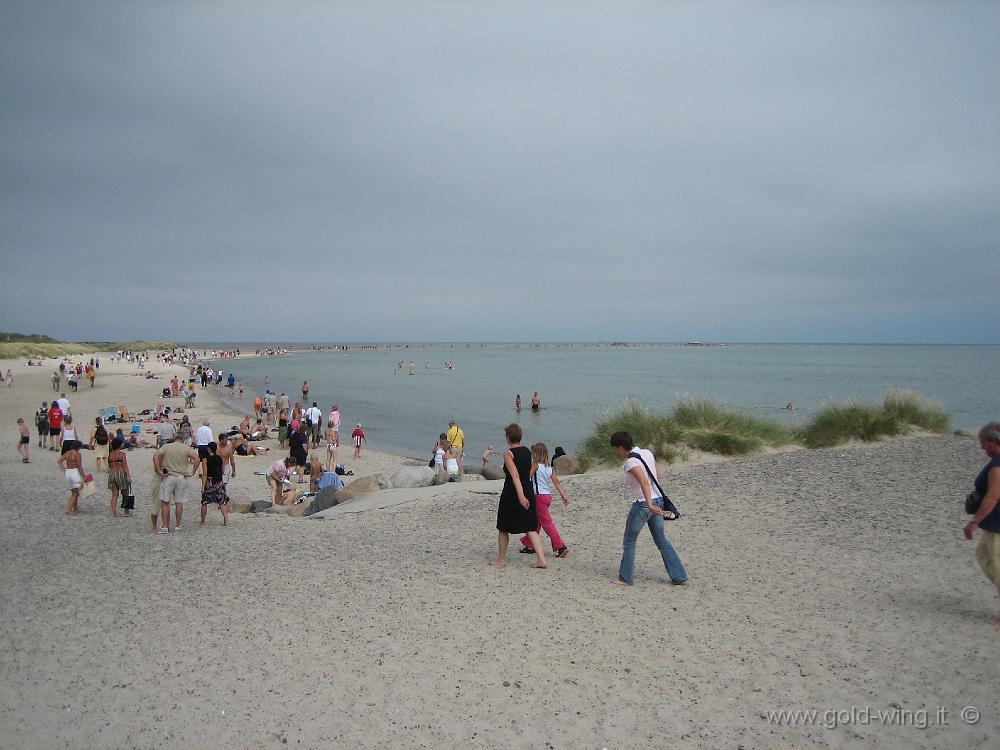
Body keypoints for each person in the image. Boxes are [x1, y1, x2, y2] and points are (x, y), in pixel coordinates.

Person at [609, 431, 688, 586]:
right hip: (657, 499)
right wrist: (654, 501)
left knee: (629, 540)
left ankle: (625, 578)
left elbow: (644, 482)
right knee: (661, 539)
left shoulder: (630, 462)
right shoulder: (647, 453)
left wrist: (649, 504)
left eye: (616, 449)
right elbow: (657, 475)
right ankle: (679, 575)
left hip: (644, 503)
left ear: (620, 447)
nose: (616, 452)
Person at [489, 424, 547, 569]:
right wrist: (525, 493)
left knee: (503, 527)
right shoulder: (527, 451)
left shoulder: (508, 453)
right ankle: (541, 559)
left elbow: (515, 475)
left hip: (512, 492)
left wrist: (520, 496)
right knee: (530, 526)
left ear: (508, 438)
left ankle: (501, 559)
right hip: (528, 488)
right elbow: (527, 472)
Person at [963, 422, 1000, 626]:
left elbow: (994, 495)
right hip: (993, 525)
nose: (981, 447)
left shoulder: (997, 466)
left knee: (998, 564)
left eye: (983, 443)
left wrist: (974, 521)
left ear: (994, 441)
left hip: (997, 526)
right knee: (983, 555)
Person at [519, 443, 570, 558]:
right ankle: (530, 544)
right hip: (547, 496)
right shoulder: (550, 468)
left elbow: (527, 477)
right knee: (536, 521)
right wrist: (564, 495)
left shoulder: (535, 465)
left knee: (547, 523)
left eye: (533, 454)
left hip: (538, 497)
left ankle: (561, 547)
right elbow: (556, 483)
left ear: (536, 454)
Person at [154, 430, 200, 533]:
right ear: (183, 439)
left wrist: (158, 470)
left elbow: (156, 455)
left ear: (175, 437)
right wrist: (192, 472)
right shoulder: (186, 448)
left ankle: (165, 526)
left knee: (165, 502)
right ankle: (178, 526)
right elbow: (197, 459)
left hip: (169, 475)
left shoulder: (167, 446)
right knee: (179, 502)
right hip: (181, 477)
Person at [200, 441, 231, 527]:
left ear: (208, 449)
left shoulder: (205, 459)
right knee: (222, 501)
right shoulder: (220, 458)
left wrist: (202, 486)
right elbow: (222, 470)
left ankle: (203, 522)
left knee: (205, 502)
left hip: (209, 482)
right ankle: (226, 520)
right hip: (218, 481)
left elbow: (205, 474)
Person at [58, 440, 86, 515]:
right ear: (78, 447)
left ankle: (75, 508)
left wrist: (64, 469)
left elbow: (59, 461)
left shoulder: (67, 453)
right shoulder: (77, 454)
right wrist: (84, 476)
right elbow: (79, 466)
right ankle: (68, 509)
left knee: (73, 491)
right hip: (75, 472)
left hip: (68, 472)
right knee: (76, 493)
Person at [107, 436, 132, 517]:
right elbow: (125, 466)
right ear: (119, 445)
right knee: (125, 493)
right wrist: (128, 476)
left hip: (112, 474)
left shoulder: (110, 454)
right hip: (120, 473)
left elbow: (109, 466)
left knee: (114, 494)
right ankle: (126, 511)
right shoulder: (122, 454)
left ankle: (113, 512)